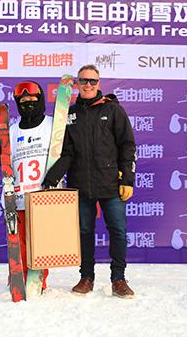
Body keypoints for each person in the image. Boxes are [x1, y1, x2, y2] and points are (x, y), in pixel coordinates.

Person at [42, 64, 136, 299]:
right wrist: (52, 176)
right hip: (80, 185)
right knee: (84, 232)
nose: (88, 85)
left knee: (118, 231)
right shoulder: (69, 114)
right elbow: (66, 152)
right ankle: (86, 277)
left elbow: (127, 145)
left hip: (111, 184)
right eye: (83, 81)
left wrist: (129, 179)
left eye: (92, 81)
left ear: (99, 84)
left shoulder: (114, 110)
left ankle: (118, 279)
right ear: (77, 84)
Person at [0, 80, 51, 290]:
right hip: (16, 195)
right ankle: (17, 277)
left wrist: (52, 179)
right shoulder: (11, 130)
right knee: (18, 241)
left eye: (32, 99)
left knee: (40, 243)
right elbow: (4, 161)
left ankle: (38, 280)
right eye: (23, 100)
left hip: (43, 195)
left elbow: (65, 154)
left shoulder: (52, 125)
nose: (28, 103)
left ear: (40, 100)